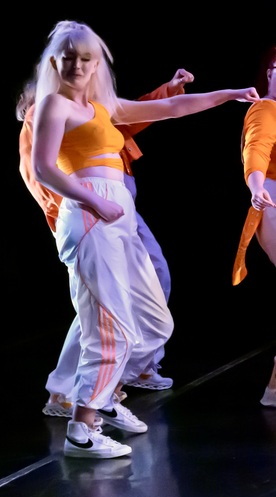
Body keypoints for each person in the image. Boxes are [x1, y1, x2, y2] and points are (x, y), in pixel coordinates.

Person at [16, 19, 260, 459]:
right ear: (55, 61)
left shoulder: (102, 108)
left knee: (153, 321)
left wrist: (228, 95)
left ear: (96, 65)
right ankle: (82, 428)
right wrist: (88, 199)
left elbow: (171, 110)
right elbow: (43, 168)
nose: (76, 65)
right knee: (110, 328)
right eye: (68, 57)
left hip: (116, 211)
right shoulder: (54, 106)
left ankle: (104, 397)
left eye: (85, 58)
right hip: (91, 213)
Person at [18, 67, 195, 419]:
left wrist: (168, 90)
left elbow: (130, 115)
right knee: (99, 307)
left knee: (140, 286)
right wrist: (68, 218)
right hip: (91, 212)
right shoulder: (46, 113)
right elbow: (37, 172)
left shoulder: (91, 108)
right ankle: (75, 390)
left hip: (117, 206)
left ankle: (121, 372)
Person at [232, 45, 276, 407]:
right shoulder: (265, 107)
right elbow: (256, 147)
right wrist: (256, 185)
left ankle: (275, 387)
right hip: (272, 199)